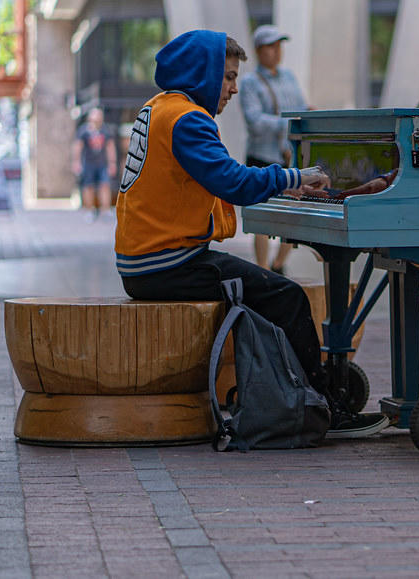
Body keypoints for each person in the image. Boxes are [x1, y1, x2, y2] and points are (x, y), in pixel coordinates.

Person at [115, 29, 389, 438]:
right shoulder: (187, 119)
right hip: (167, 264)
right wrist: (296, 176)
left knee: (271, 292)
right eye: (226, 77)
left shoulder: (160, 107)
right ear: (201, 74)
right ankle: (325, 411)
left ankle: (296, 395)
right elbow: (233, 182)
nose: (233, 89)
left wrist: (284, 183)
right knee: (287, 296)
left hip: (147, 259)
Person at [239, 24, 309, 275]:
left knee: (293, 210)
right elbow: (255, 122)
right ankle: (262, 268)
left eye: (279, 45)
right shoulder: (249, 83)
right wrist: (289, 122)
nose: (277, 51)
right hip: (261, 156)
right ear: (258, 50)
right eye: (271, 46)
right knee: (261, 215)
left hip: (287, 157)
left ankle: (278, 266)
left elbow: (301, 108)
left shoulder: (289, 77)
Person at [72, 107, 117, 222]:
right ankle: (89, 210)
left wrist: (112, 163)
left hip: (102, 163)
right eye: (94, 118)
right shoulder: (84, 131)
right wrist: (76, 162)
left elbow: (110, 147)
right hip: (88, 164)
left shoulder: (105, 130)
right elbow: (78, 146)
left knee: (105, 185)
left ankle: (105, 210)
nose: (96, 120)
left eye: (99, 118)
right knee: (88, 187)